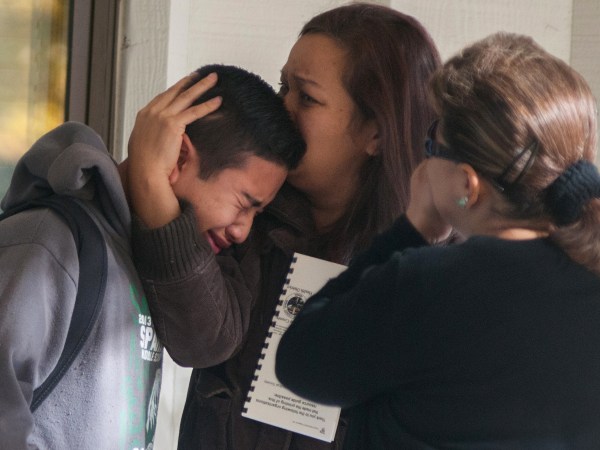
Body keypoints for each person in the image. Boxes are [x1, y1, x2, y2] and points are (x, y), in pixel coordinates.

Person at [127, 3, 441, 449]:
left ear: (375, 132)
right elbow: (200, 339)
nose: (282, 108)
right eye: (284, 87)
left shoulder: (422, 269)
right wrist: (150, 184)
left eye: (306, 97)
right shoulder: (247, 222)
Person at [275, 32, 600, 449]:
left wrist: (413, 229)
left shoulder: (427, 285)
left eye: (433, 143)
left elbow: (301, 361)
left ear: (467, 185)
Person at [0, 64, 304, 449]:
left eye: (256, 215)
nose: (242, 231)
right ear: (179, 157)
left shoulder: (143, 257)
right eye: (244, 204)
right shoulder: (47, 243)